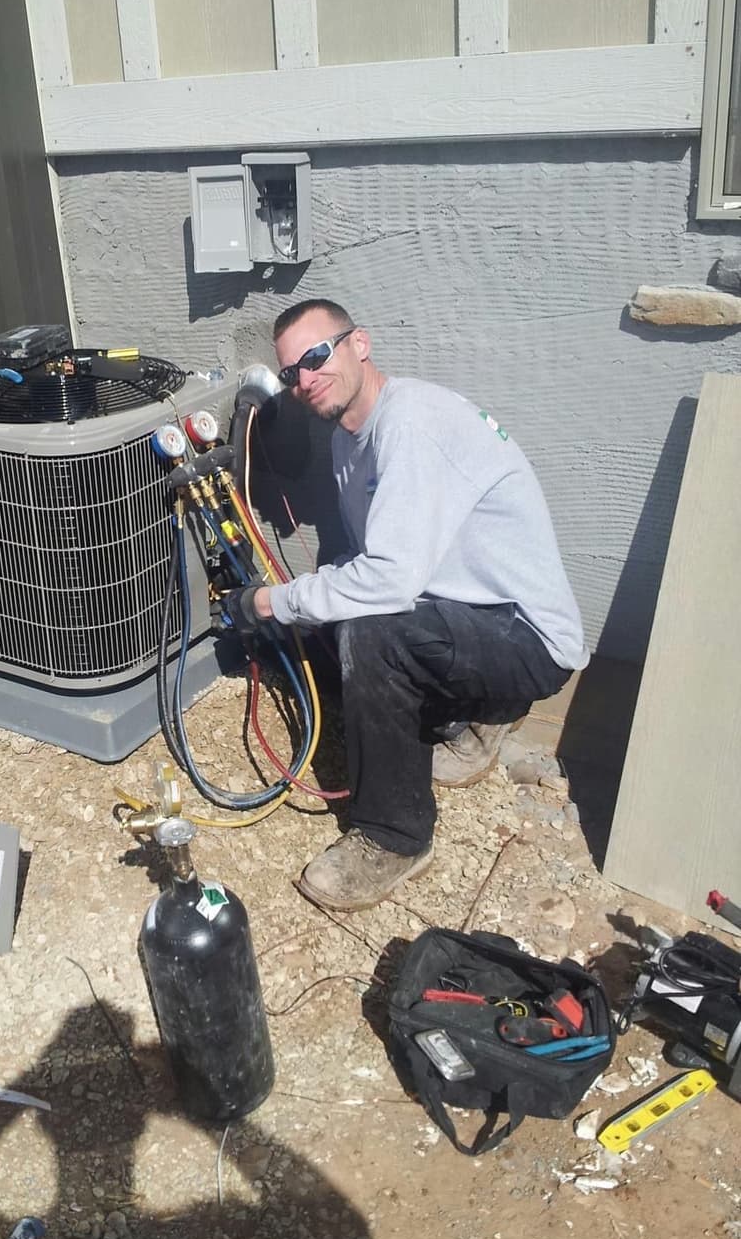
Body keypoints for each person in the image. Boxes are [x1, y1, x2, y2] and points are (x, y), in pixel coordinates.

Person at [224, 298, 589, 912]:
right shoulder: (348, 438)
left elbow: (388, 582)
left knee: (370, 634)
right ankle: (468, 720)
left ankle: (395, 836)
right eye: (291, 374)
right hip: (465, 617)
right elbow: (368, 562)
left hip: (524, 637)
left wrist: (268, 601)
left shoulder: (409, 424)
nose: (306, 380)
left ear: (359, 343)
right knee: (331, 627)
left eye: (317, 357)